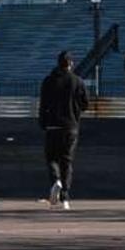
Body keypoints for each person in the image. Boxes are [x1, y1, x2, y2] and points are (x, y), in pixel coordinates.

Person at [38, 50, 89, 210]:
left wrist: (43, 122)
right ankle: (65, 195)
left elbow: (43, 104)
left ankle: (56, 181)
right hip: (70, 126)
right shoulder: (77, 81)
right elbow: (85, 104)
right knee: (67, 160)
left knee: (51, 158)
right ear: (71, 63)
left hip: (52, 125)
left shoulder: (48, 81)